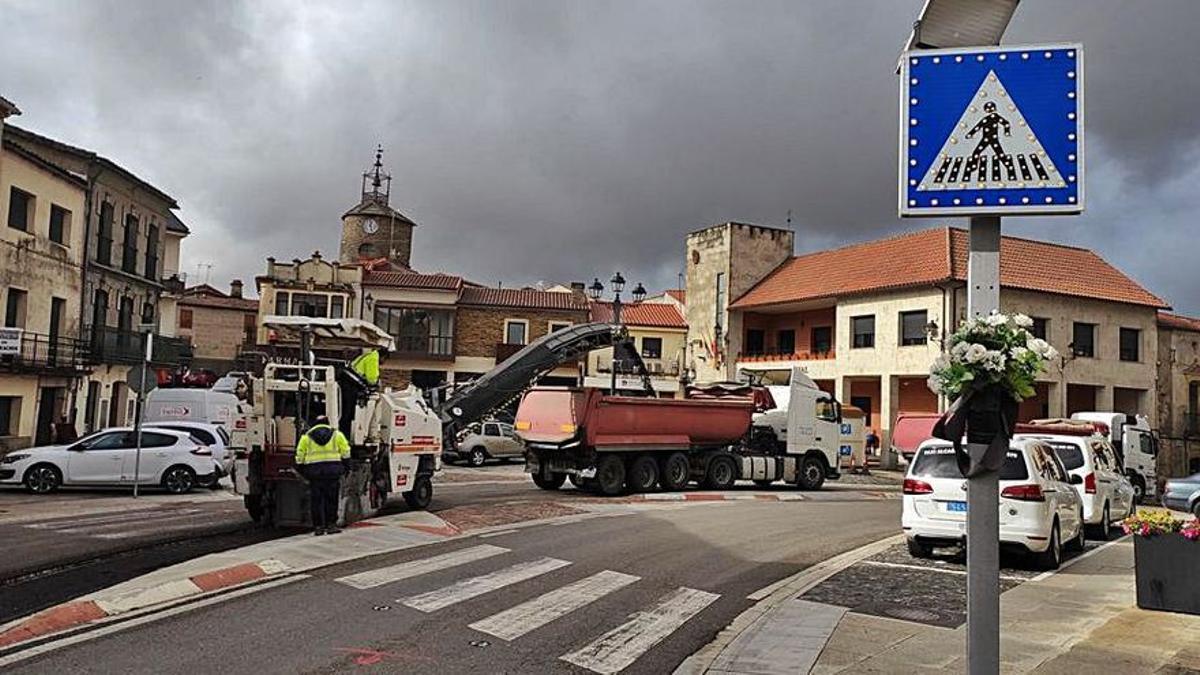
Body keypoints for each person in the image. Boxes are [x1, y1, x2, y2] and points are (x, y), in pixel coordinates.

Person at [294, 415, 351, 535]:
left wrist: (301, 468)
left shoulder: (306, 437)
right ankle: (331, 525)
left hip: (315, 473)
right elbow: (346, 452)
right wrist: (346, 466)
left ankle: (318, 527)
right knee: (331, 499)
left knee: (316, 501)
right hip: (332, 472)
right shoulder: (337, 435)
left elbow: (300, 455)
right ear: (328, 423)